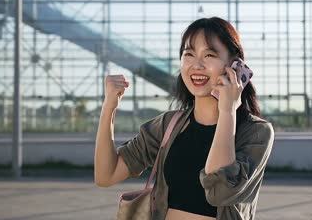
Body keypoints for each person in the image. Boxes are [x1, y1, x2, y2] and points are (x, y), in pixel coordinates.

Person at [94, 17, 275, 220]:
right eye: (188, 54)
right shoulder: (168, 126)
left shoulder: (256, 132)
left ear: (234, 64)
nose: (196, 65)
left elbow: (220, 192)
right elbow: (106, 176)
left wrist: (227, 112)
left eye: (209, 55)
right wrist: (108, 107)